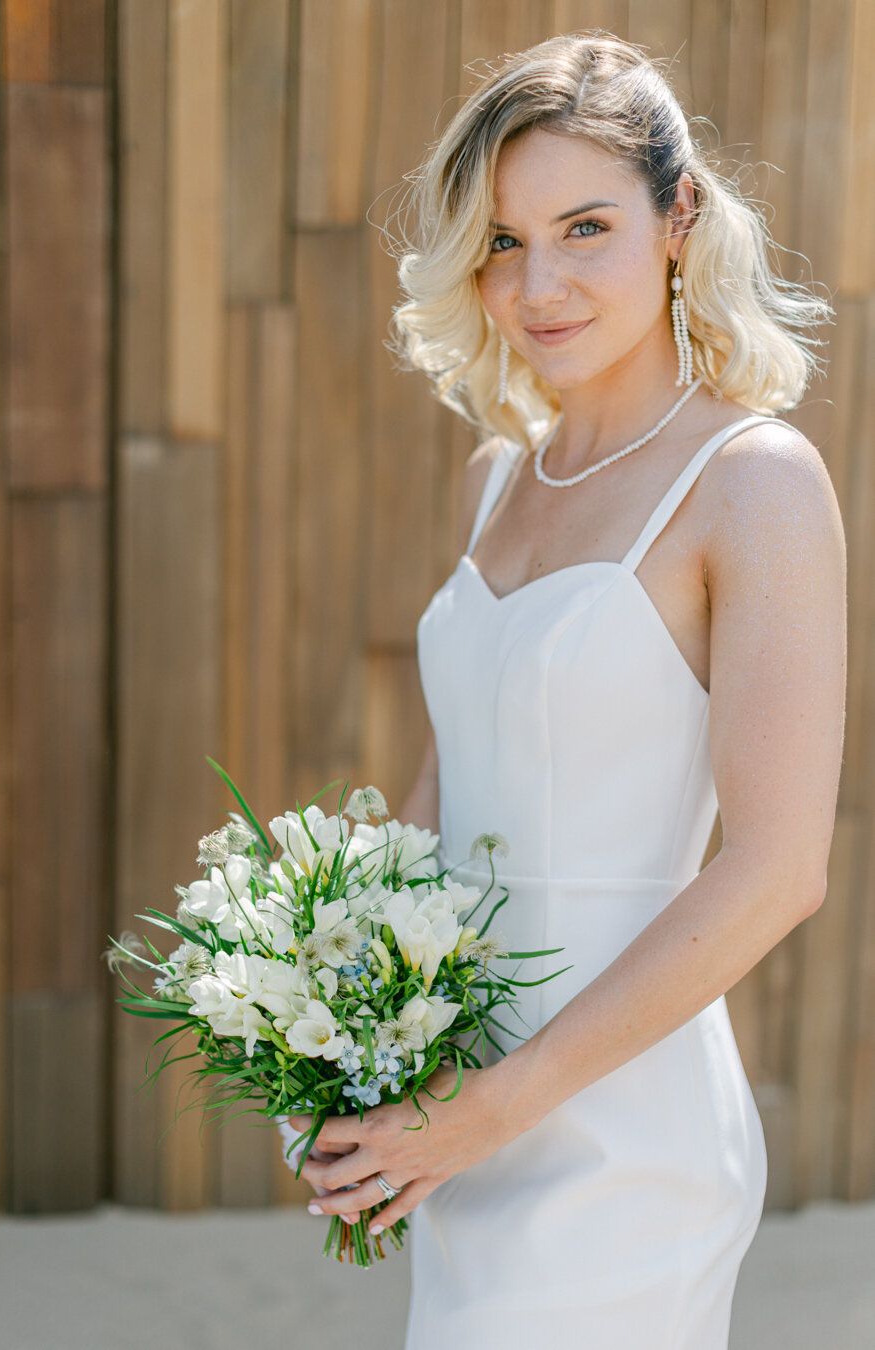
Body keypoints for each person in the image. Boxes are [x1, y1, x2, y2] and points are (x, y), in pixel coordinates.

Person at [280, 30, 846, 1348]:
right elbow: (447, 781)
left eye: (584, 226)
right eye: (501, 240)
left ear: (678, 217)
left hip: (617, 1132)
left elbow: (777, 869)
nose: (541, 282)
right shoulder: (499, 475)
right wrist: (339, 1034)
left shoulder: (754, 482)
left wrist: (497, 1104)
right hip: (460, 1110)